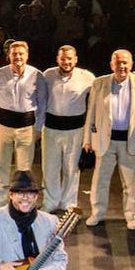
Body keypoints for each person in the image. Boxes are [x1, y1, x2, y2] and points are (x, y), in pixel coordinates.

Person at [83, 49, 135, 229]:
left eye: (125, 63)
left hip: (131, 141)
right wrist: (87, 139)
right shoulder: (99, 83)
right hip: (104, 141)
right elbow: (91, 112)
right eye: (118, 63)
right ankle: (97, 213)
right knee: (100, 180)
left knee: (131, 184)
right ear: (112, 65)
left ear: (131, 65)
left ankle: (131, 216)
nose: (122, 66)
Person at [0, 41, 46, 207]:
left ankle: (22, 204)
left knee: (24, 170)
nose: (18, 57)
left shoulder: (37, 75)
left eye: (21, 54)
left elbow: (42, 104)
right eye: (14, 54)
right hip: (3, 126)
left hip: (27, 127)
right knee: (0, 167)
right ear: (8, 56)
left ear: (27, 55)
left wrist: (39, 128)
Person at [40, 46, 94, 213]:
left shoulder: (87, 77)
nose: (66, 62)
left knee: (71, 168)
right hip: (51, 128)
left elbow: (102, 90)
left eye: (70, 58)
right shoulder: (47, 75)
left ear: (76, 59)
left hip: (75, 129)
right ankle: (50, 202)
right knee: (50, 167)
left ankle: (69, 203)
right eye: (63, 59)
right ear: (58, 59)